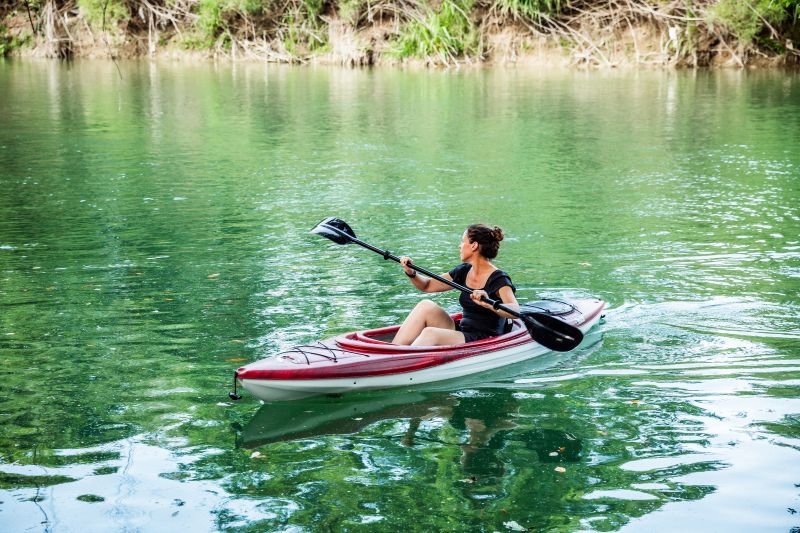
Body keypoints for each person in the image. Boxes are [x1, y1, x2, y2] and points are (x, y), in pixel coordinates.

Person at [392, 224, 519, 346]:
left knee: (430, 333)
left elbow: (514, 310)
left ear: (474, 245)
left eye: (463, 241)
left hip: (484, 337)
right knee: (425, 306)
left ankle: (400, 363)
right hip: (463, 331)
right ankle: (393, 351)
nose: (460, 246)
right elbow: (427, 285)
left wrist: (489, 303)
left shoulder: (498, 278)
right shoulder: (463, 270)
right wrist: (411, 272)